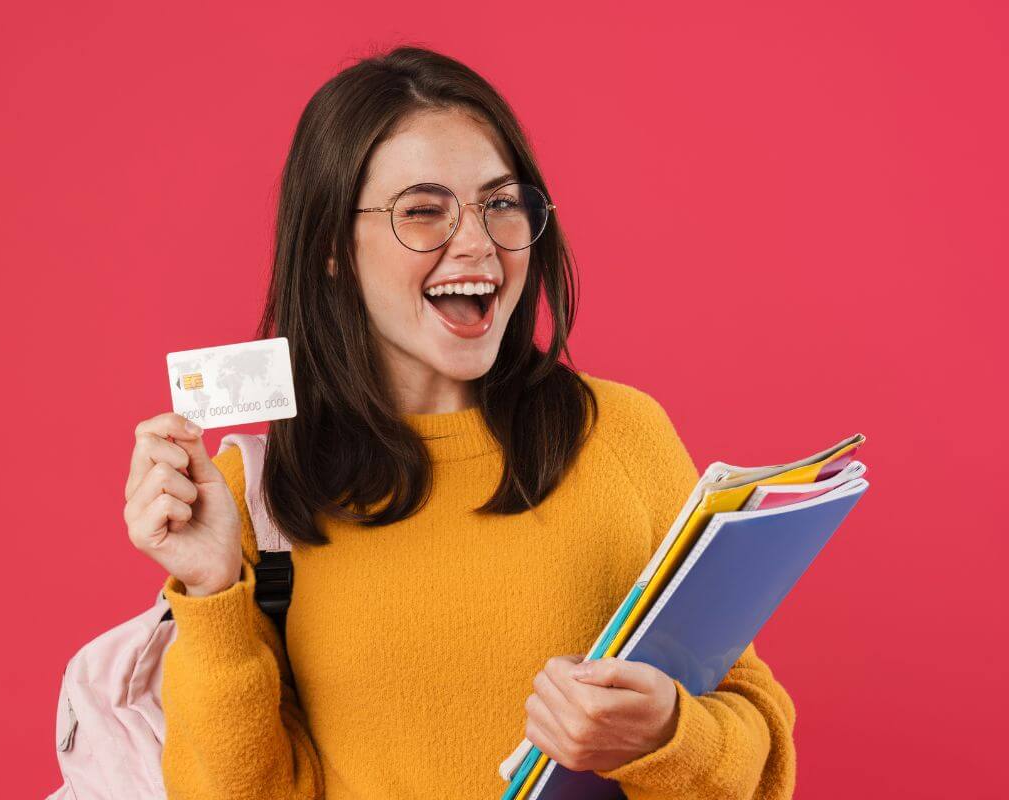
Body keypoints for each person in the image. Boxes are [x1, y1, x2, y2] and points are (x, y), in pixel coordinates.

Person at [122, 46, 795, 800]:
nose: (479, 244)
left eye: (502, 203)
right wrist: (213, 593)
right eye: (422, 210)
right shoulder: (260, 492)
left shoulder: (623, 435)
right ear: (330, 248)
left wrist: (669, 735)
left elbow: (760, 757)